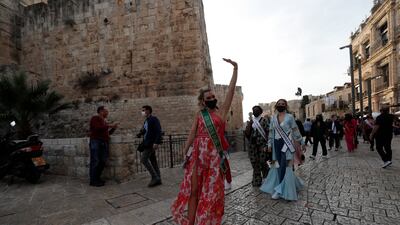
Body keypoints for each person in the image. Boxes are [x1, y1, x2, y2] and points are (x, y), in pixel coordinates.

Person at [171, 58, 238, 225]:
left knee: (211, 192)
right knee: (194, 191)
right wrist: (184, 151)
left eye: (213, 96)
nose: (212, 98)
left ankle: (204, 220)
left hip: (215, 157)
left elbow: (230, 92)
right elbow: (192, 134)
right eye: (209, 97)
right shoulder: (200, 115)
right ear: (203, 101)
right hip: (198, 156)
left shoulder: (221, 113)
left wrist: (235, 70)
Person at [260, 99, 305, 201]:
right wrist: (269, 144)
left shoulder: (289, 117)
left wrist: (302, 142)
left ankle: (282, 190)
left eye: (283, 104)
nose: (281, 105)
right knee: (278, 166)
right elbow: (271, 133)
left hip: (287, 145)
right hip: (276, 145)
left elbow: (295, 130)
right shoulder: (273, 118)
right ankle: (280, 185)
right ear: (276, 106)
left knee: (287, 166)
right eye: (279, 104)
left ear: (286, 106)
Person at [89, 106, 118, 187]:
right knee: (95, 161)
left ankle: (97, 178)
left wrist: (113, 128)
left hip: (104, 142)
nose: (107, 113)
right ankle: (93, 180)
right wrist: (110, 125)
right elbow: (97, 128)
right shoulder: (95, 118)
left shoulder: (104, 122)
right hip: (96, 141)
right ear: (101, 111)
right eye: (106, 111)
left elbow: (107, 133)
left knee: (103, 161)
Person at [137, 105, 163, 187]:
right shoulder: (146, 121)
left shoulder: (153, 119)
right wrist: (140, 133)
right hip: (147, 143)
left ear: (148, 111)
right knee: (153, 160)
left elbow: (158, 131)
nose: (142, 112)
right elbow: (146, 131)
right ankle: (158, 178)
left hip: (151, 143)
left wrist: (156, 142)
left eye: (144, 110)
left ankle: (155, 177)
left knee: (143, 159)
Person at [244, 105, 269, 187]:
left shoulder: (264, 120)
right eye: (254, 110)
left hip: (262, 144)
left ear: (260, 111)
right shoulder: (251, 121)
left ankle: (267, 177)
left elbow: (268, 132)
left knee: (262, 161)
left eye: (257, 110)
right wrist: (249, 124)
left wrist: (268, 144)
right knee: (255, 162)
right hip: (252, 145)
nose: (255, 111)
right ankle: (257, 180)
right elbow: (247, 134)